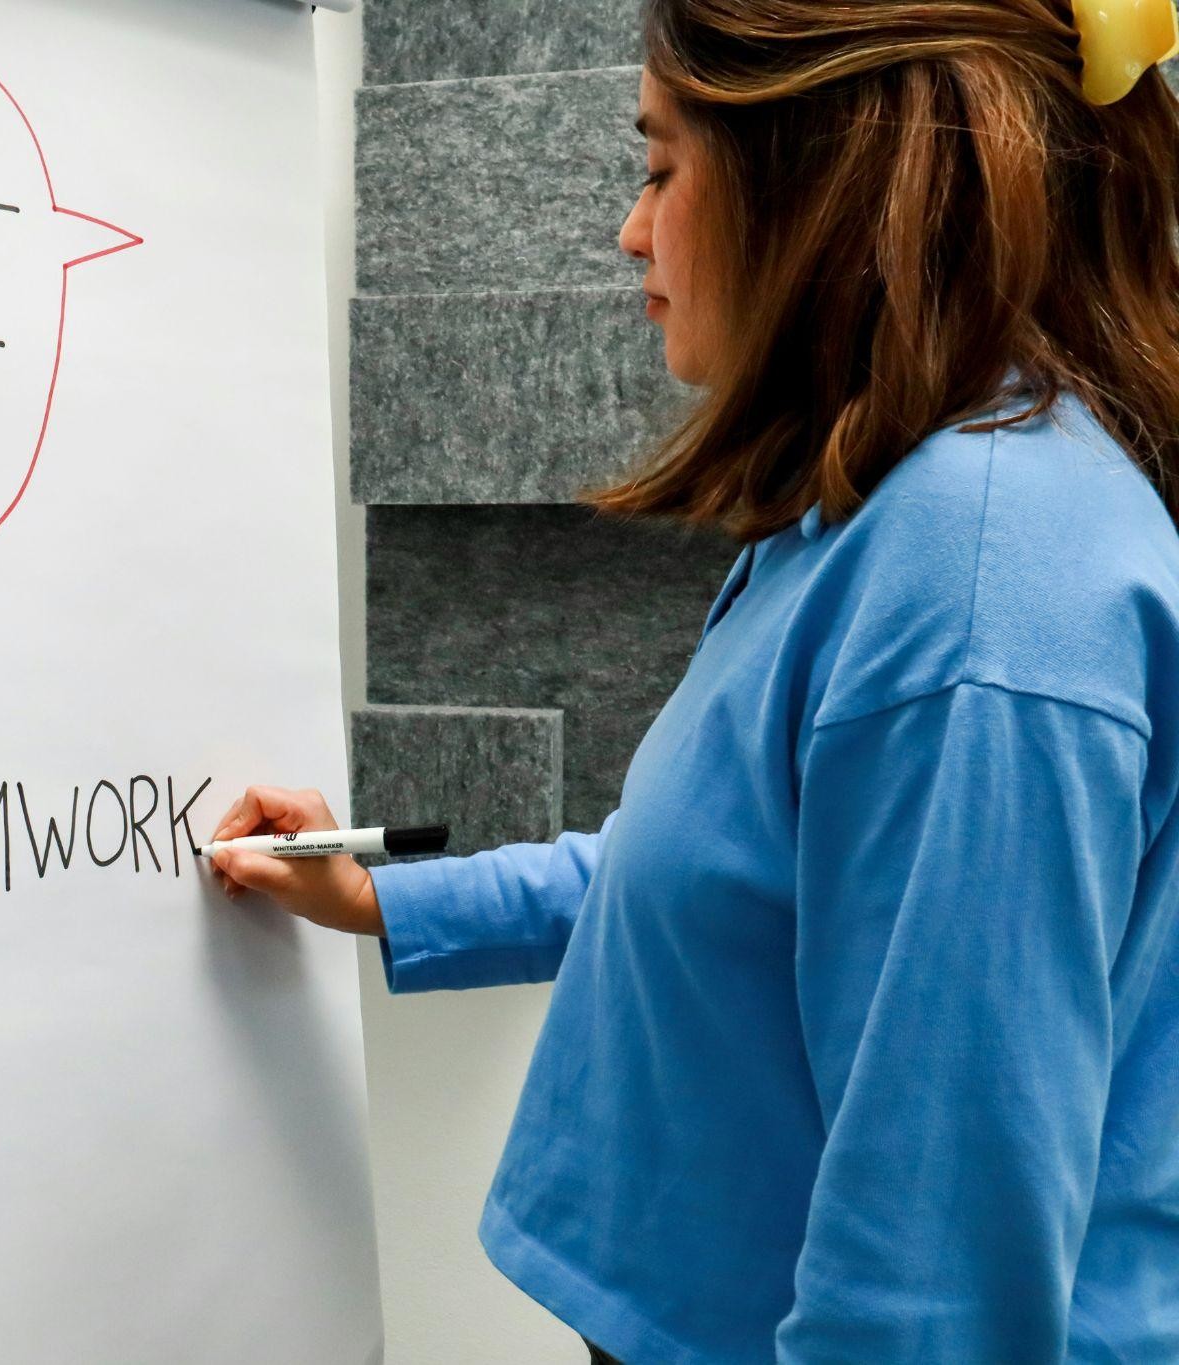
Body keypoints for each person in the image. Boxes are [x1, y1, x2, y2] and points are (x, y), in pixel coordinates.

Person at [209, 1, 1179, 1360]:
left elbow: (932, 1296)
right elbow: (722, 870)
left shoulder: (980, 581)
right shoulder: (884, 509)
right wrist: (384, 901)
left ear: (830, 174)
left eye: (661, 168)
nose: (631, 229)